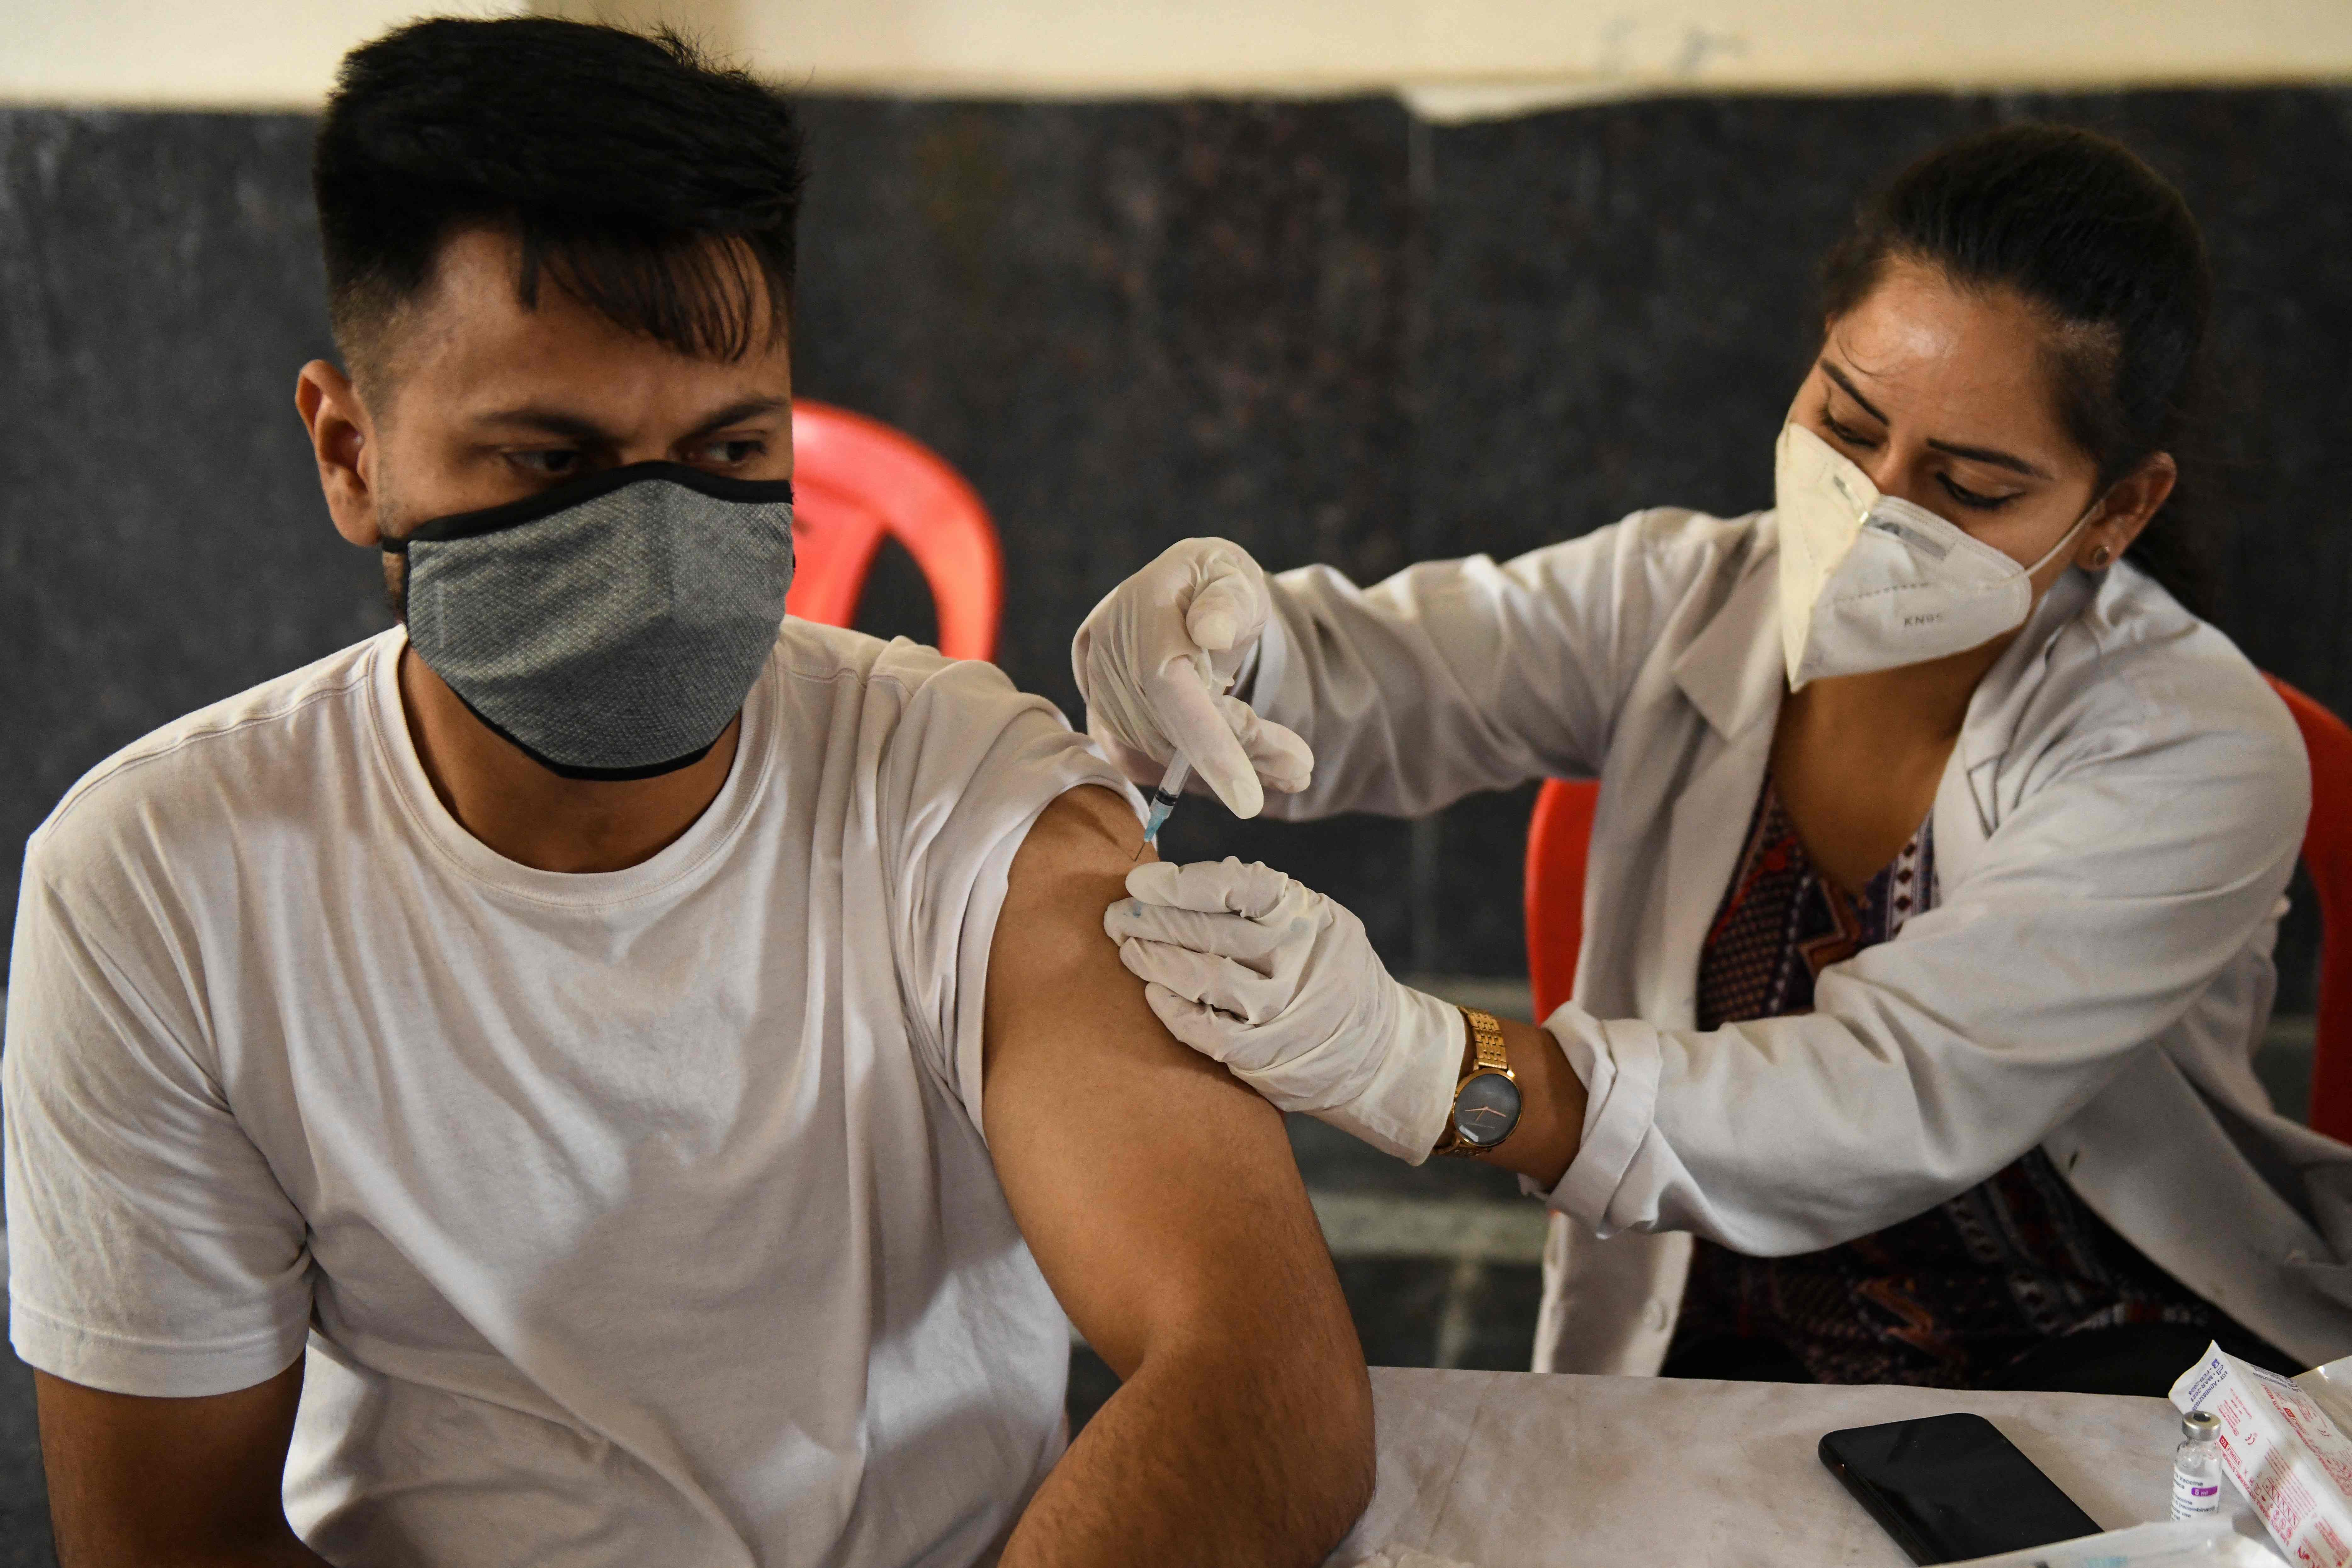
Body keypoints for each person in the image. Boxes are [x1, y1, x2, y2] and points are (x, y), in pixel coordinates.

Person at [3, 19, 1375, 1566]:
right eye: (549, 464)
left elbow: (1266, 1379)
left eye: (729, 448)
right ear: (350, 453)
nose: (657, 557)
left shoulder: (965, 805)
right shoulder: (164, 883)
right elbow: (169, 1543)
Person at [1078, 124, 2352, 1394]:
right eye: (1848, 424)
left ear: (2118, 510)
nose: (1876, 509)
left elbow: (1876, 1098)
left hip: (2107, 1377)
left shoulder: (2188, 746)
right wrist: (1222, 644)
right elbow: (1410, 669)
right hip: (1722, 1362)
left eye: (1967, 488)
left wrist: (1425, 1066)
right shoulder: (1683, 594)